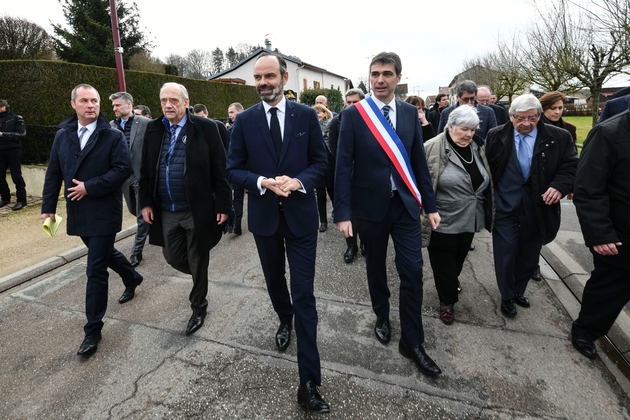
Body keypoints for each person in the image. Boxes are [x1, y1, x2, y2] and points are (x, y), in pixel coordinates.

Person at [226, 53, 330, 413]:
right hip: (265, 220)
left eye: (269, 76)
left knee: (304, 294)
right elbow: (232, 169)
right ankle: (283, 318)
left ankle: (308, 382)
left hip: (301, 218)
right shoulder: (244, 121)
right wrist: (261, 182)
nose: (263, 83)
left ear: (284, 77)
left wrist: (299, 181)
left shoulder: (305, 117)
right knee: (275, 282)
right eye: (257, 78)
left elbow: (321, 162)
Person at [334, 51, 442, 377]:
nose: (380, 79)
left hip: (405, 206)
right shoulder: (355, 115)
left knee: (412, 271)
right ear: (369, 77)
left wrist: (431, 206)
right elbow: (342, 166)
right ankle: (382, 314)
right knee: (376, 266)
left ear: (398, 77)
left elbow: (417, 163)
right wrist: (342, 212)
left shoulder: (410, 113)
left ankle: (412, 340)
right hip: (370, 208)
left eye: (387, 74)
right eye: (375, 73)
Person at [41, 84, 143, 356]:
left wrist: (90, 186)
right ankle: (132, 276)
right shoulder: (62, 135)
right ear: (73, 104)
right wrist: (48, 208)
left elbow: (123, 169)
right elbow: (53, 173)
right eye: (84, 100)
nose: (90, 105)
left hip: (104, 211)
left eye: (95, 100)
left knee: (95, 268)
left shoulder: (112, 135)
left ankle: (92, 330)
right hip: (77, 211)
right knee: (104, 253)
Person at [139, 82, 232, 336]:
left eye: (173, 100)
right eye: (163, 101)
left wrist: (224, 203)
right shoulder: (153, 129)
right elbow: (146, 169)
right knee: (172, 256)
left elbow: (220, 169)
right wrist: (145, 201)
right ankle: (199, 273)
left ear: (186, 102)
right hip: (166, 209)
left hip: (196, 208)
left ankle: (198, 306)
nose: (168, 105)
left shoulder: (206, 128)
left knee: (197, 253)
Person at [485, 94, 577, 318]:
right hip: (505, 206)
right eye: (520, 118)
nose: (526, 123)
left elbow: (571, 167)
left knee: (529, 254)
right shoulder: (496, 135)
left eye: (532, 118)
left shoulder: (559, 137)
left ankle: (518, 290)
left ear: (539, 115)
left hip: (537, 206)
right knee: (505, 253)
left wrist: (559, 186)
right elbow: (487, 168)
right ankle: (506, 296)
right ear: (511, 116)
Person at [422, 105, 493, 325]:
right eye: (464, 129)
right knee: (443, 260)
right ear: (450, 126)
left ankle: (450, 282)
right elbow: (421, 183)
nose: (469, 134)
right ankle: (447, 302)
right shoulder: (431, 147)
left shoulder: (477, 147)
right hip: (442, 217)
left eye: (472, 130)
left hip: (470, 217)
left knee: (459, 258)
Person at [571, 101, 630, 359]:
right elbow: (588, 188)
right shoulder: (609, 133)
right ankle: (585, 331)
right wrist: (600, 234)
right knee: (609, 290)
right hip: (619, 236)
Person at [109, 92, 150, 268]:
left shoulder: (145, 124)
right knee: (134, 210)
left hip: (141, 175)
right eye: (113, 106)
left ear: (129, 104)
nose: (114, 109)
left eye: (117, 105)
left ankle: (136, 252)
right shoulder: (110, 126)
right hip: (124, 176)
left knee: (142, 216)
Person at [328, 88, 365, 263]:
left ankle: (365, 242)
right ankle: (351, 245)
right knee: (348, 212)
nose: (351, 106)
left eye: (355, 102)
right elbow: (336, 151)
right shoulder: (336, 122)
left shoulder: (371, 120)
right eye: (348, 103)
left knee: (365, 211)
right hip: (346, 174)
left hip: (366, 174)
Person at [0, 100, 27, 210]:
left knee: (16, 175)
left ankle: (21, 199)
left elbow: (22, 134)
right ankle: (5, 198)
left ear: (3, 107)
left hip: (13, 150)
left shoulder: (16, 118)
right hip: (0, 151)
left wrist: (3, 134)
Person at [313, 103, 334, 233]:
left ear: (325, 113)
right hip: (318, 165)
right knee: (320, 195)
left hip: (330, 163)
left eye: (319, 113)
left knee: (332, 192)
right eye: (314, 113)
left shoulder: (331, 124)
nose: (317, 116)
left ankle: (338, 213)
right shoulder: (311, 127)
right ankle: (323, 221)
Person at [227, 102, 245, 236]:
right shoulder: (229, 130)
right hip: (236, 169)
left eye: (232, 112)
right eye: (229, 113)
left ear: (240, 111)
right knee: (237, 197)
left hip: (250, 169)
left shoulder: (251, 126)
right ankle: (236, 225)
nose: (230, 115)